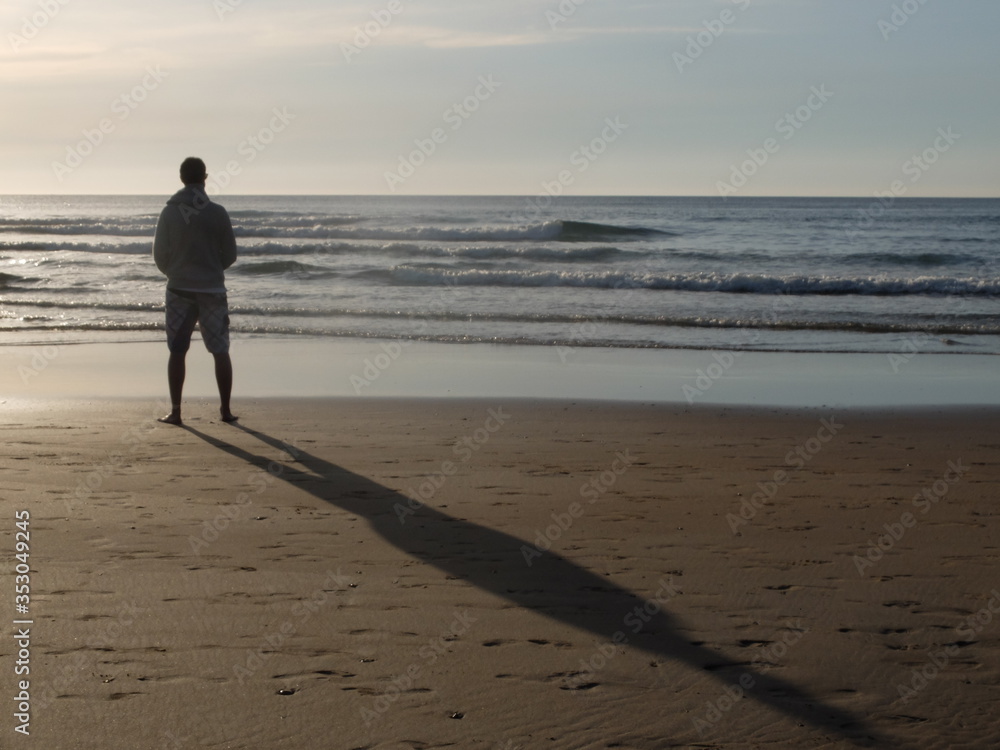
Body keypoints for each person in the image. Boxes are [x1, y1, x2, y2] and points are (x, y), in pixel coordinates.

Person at [153, 157, 238, 425]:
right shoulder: (218, 212)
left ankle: (176, 412)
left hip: (179, 289)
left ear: (181, 178)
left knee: (178, 351)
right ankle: (225, 411)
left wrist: (176, 272)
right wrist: (212, 269)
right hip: (212, 289)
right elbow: (231, 255)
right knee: (220, 349)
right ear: (205, 178)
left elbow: (159, 255)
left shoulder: (169, 212)